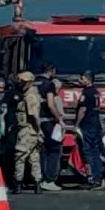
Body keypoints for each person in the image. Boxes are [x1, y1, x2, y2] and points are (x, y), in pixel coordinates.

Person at [12, 71, 43, 194]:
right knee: (34, 157)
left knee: (20, 156)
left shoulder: (30, 96)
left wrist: (38, 130)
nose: (20, 83)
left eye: (23, 81)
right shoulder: (28, 95)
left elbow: (33, 115)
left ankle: (18, 182)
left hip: (27, 129)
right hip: (31, 130)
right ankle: (37, 182)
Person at [74, 70, 105, 189]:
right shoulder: (96, 92)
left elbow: (82, 110)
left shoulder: (86, 93)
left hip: (87, 125)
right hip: (96, 125)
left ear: (87, 79)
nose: (79, 81)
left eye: (81, 78)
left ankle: (92, 178)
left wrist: (76, 125)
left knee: (87, 152)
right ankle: (99, 178)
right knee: (96, 152)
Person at [37, 62, 63, 192]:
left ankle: (40, 178)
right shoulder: (49, 85)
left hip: (36, 122)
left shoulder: (34, 83)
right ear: (51, 71)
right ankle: (49, 179)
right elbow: (51, 104)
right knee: (54, 150)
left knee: (41, 152)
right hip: (48, 122)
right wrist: (59, 119)